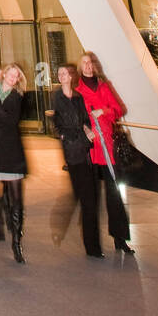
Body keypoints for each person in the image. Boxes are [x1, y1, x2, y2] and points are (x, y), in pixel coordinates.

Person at [77, 51, 134, 255]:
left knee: (114, 193)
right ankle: (92, 245)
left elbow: (119, 109)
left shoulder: (103, 86)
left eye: (90, 62)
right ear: (80, 66)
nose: (88, 66)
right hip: (91, 147)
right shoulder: (78, 91)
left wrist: (104, 111)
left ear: (95, 65)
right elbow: (76, 117)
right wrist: (85, 130)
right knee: (90, 198)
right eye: (84, 63)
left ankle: (120, 238)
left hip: (108, 146)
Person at [51, 62, 102, 258]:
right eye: (60, 74)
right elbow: (57, 123)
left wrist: (88, 130)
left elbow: (84, 120)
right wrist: (67, 136)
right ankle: (63, 223)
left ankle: (93, 247)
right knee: (83, 195)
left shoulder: (78, 98)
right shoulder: (57, 97)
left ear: (71, 76)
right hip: (72, 151)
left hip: (84, 150)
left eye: (65, 73)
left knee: (88, 198)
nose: (62, 76)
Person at [0, 63, 28, 263]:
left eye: (15, 75)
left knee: (16, 198)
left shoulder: (18, 96)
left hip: (11, 151)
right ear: (3, 75)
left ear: (18, 78)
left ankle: (17, 241)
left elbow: (12, 121)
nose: (12, 77)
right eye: (10, 74)